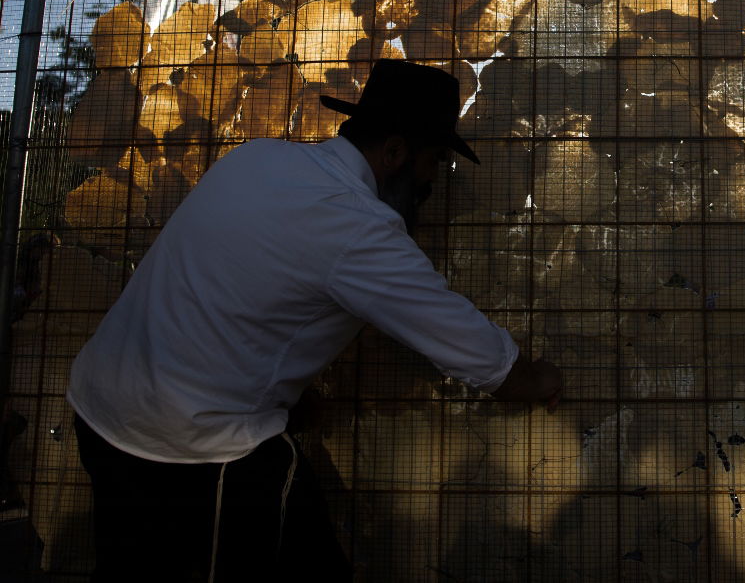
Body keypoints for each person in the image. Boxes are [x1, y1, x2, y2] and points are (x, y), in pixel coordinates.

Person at [66, 60, 562, 582]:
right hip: (187, 445)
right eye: (433, 162)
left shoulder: (257, 158)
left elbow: (235, 293)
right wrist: (536, 377)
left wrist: (290, 393)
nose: (432, 182)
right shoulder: (358, 226)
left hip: (100, 399)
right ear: (394, 152)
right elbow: (472, 351)